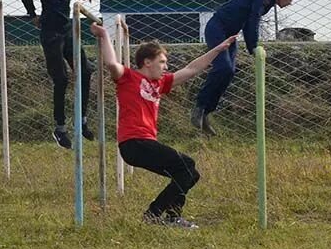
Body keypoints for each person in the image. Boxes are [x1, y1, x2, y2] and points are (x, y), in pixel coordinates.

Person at [92, 22, 237, 229]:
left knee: (189, 174)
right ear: (147, 62)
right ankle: (153, 214)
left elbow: (191, 69)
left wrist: (218, 49)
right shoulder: (128, 78)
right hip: (133, 143)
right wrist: (104, 35)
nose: (166, 67)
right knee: (186, 164)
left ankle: (172, 218)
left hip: (146, 143)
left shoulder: (160, 84)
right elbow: (112, 65)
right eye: (162, 62)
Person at [191, 0, 296, 135]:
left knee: (230, 71)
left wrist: (251, 47)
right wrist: (253, 46)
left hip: (230, 35)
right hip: (217, 28)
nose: (290, 3)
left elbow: (248, 22)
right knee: (223, 67)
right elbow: (253, 18)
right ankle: (199, 106)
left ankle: (206, 114)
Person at [19, 0, 94, 149]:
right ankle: (60, 128)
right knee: (61, 79)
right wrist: (32, 15)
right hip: (51, 35)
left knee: (85, 71)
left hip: (67, 32)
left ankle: (82, 120)